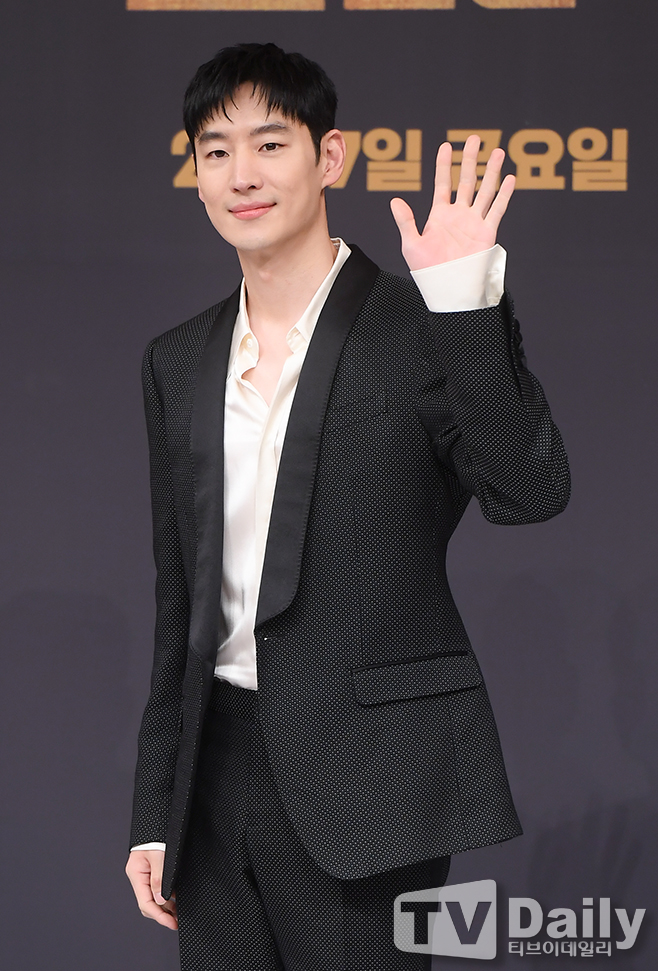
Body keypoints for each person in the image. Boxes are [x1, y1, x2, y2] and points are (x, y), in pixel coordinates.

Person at [125, 42, 570, 971]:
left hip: (370, 779)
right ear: (196, 174)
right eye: (215, 151)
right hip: (211, 781)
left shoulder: (421, 326)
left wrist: (464, 302)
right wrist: (155, 810)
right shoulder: (177, 358)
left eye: (269, 144)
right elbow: (183, 606)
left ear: (329, 157)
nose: (242, 175)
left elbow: (529, 491)